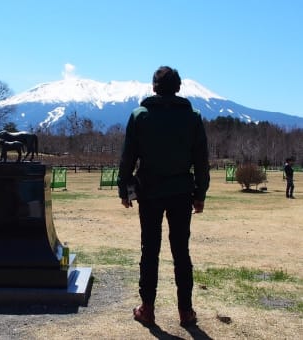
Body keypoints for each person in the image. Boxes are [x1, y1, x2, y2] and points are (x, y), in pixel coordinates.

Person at [117, 66, 210, 328]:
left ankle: (147, 308)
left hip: (149, 193)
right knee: (182, 252)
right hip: (182, 192)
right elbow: (201, 160)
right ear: (178, 87)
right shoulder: (192, 117)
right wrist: (200, 193)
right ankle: (186, 312)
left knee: (150, 250)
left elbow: (128, 157)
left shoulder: (140, 116)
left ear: (154, 87)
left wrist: (123, 189)